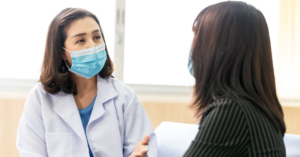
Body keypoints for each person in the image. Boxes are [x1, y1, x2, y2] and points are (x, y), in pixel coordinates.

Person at [16, 8, 156, 157]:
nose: (93, 46)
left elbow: (145, 149)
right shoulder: (40, 99)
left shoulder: (125, 97)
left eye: (96, 37)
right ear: (62, 52)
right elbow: (30, 152)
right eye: (81, 40)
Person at [184, 1, 286, 156]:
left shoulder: (232, 110)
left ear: (219, 48)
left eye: (197, 34)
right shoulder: (255, 107)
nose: (193, 44)